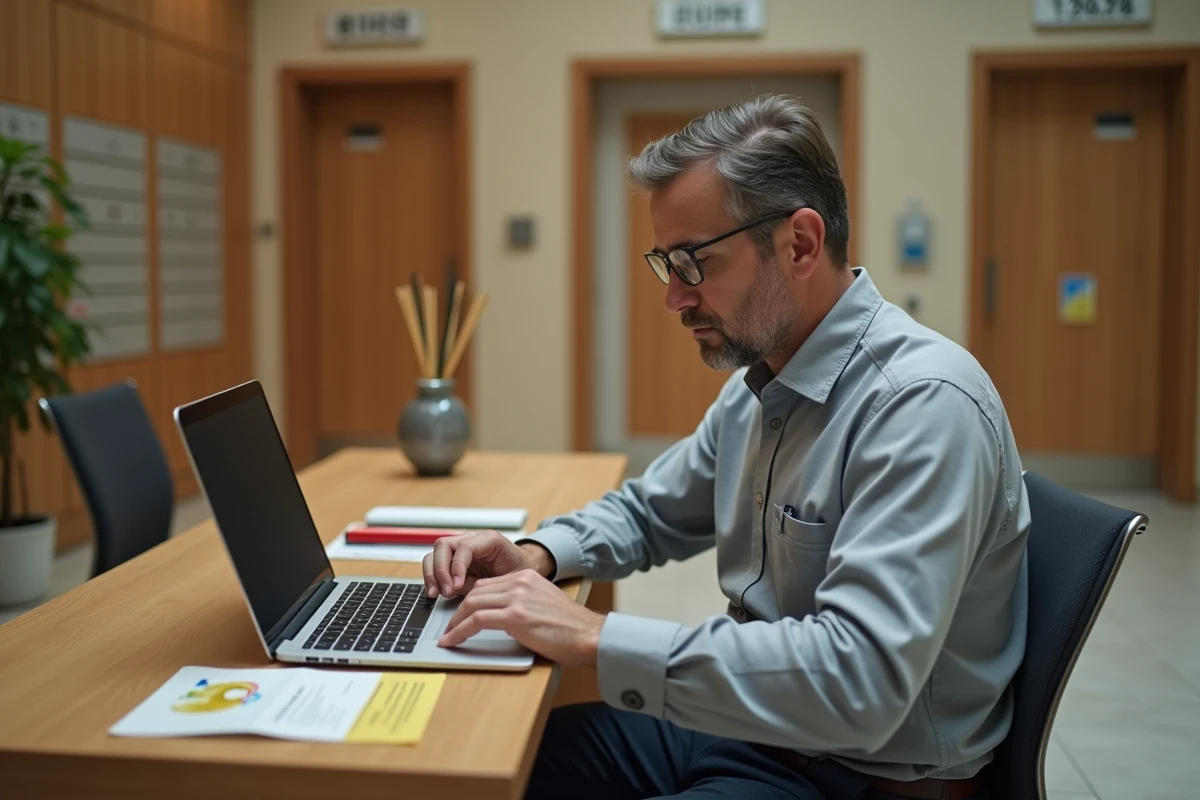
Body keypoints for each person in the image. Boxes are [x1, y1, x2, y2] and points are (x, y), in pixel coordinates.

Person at [423, 94, 1028, 800]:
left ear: (800, 244)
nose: (675, 299)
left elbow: (858, 683)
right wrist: (538, 553)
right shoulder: (762, 384)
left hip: (862, 778)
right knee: (496, 768)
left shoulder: (920, 405)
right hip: (754, 733)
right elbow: (653, 512)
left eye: (694, 263)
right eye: (666, 264)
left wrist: (593, 636)